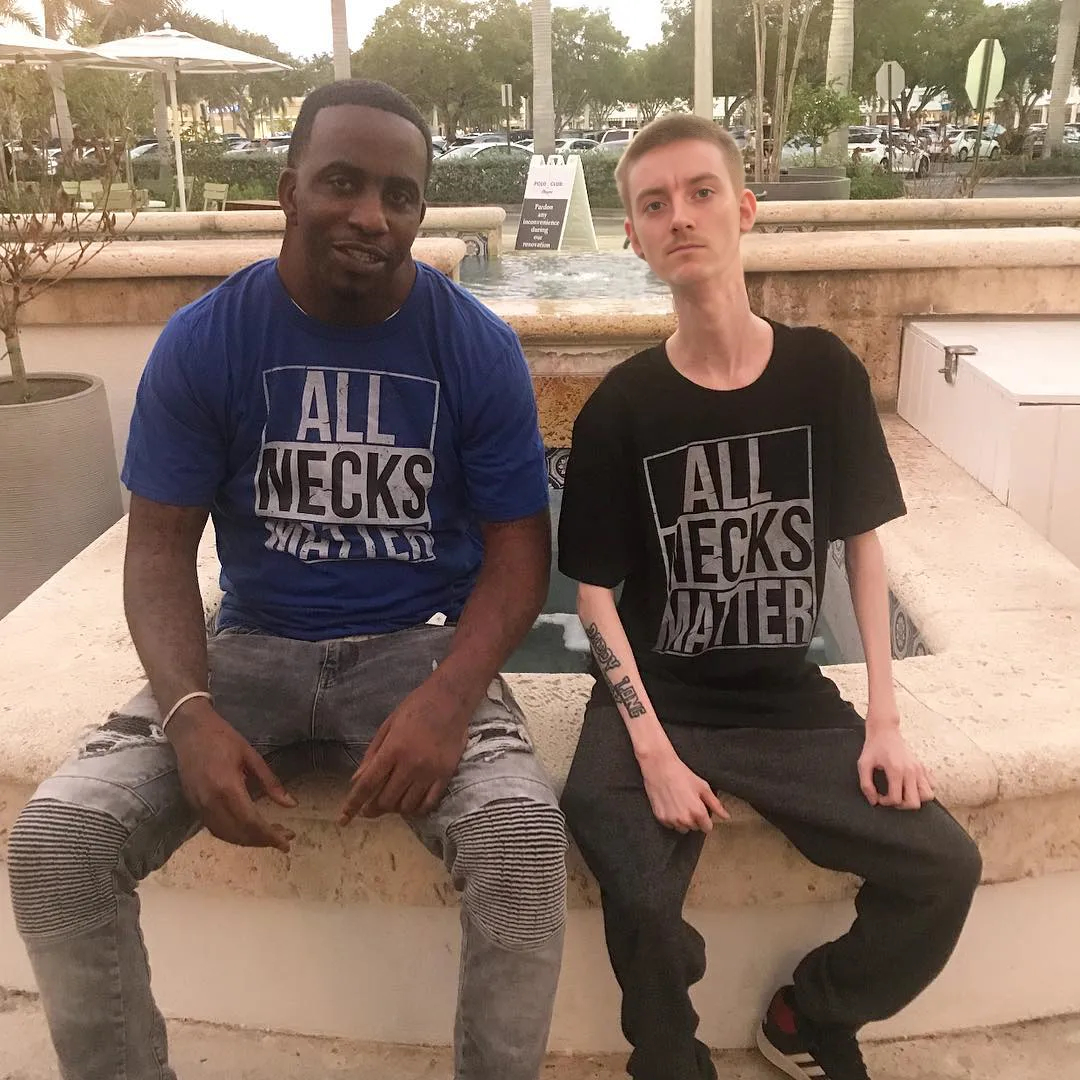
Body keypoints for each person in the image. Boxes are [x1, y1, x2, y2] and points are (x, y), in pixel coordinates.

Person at [8, 79, 566, 1080]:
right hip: (250, 651)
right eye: (343, 182)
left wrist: (450, 698)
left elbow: (522, 557)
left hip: (416, 650)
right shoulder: (207, 340)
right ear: (288, 189)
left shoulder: (473, 346)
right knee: (57, 845)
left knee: (522, 845)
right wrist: (187, 711)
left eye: (400, 195)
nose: (371, 214)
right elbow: (157, 550)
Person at [557, 113, 982, 1080]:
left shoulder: (823, 373)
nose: (680, 216)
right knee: (632, 875)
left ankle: (809, 1011)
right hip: (661, 700)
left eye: (700, 192)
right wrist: (654, 754)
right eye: (653, 204)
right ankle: (670, 1059)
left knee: (943, 867)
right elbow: (594, 600)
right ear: (634, 238)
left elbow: (862, 549)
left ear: (744, 209)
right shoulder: (622, 407)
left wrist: (884, 721)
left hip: (785, 705)